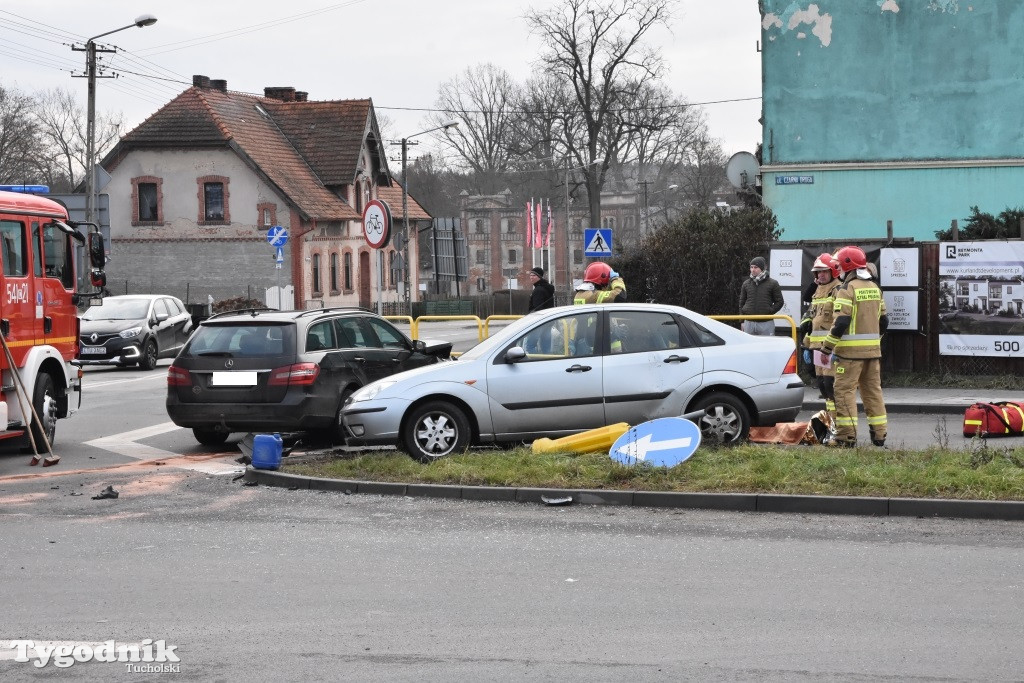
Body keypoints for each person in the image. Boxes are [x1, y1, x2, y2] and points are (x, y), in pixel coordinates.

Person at [821, 245, 889, 448]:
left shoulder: (847, 289)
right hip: (872, 353)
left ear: (846, 266)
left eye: (839, 266)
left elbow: (841, 323)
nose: (838, 270)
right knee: (873, 392)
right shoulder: (875, 288)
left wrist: (826, 348)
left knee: (843, 393)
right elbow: (884, 321)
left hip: (849, 355)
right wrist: (874, 343)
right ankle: (879, 435)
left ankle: (845, 437)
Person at [799, 253, 842, 422]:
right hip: (817, 347)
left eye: (824, 271)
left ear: (833, 272)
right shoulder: (817, 291)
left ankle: (839, 421)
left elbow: (840, 319)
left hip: (831, 347)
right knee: (823, 385)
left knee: (832, 385)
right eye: (818, 272)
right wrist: (807, 323)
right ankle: (831, 420)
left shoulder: (838, 290)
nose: (821, 275)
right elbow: (812, 313)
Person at [739, 256, 784, 335]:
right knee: (748, 346)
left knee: (767, 346)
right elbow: (741, 302)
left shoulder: (773, 283)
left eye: (756, 267)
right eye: (751, 267)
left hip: (766, 322)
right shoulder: (746, 283)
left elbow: (779, 302)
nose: (753, 270)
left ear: (762, 268)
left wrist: (769, 311)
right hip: (748, 322)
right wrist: (742, 321)